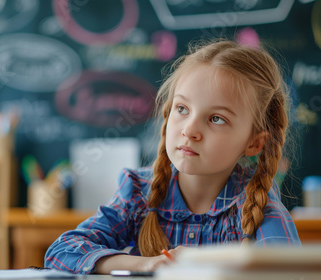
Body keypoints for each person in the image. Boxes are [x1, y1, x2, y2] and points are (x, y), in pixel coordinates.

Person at [45, 39, 301, 274]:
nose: (190, 130)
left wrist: (210, 264)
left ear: (254, 143)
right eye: (182, 109)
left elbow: (290, 272)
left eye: (216, 119)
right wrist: (146, 264)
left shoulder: (255, 203)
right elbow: (61, 252)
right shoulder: (138, 193)